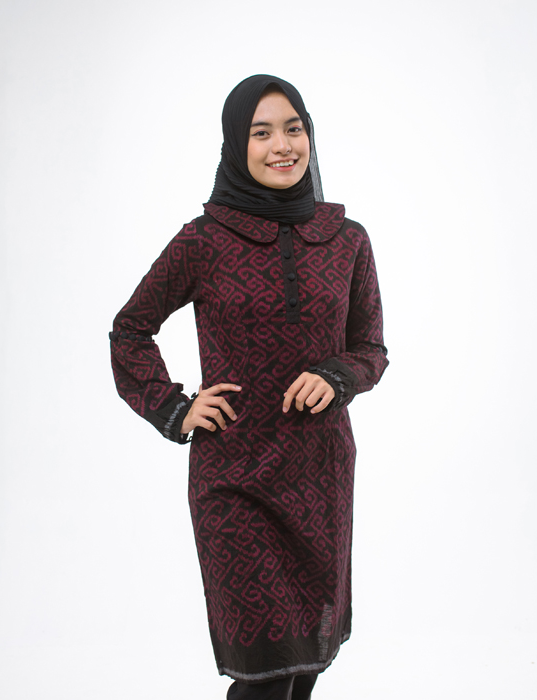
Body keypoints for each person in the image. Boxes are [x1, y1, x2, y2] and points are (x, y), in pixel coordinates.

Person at [110, 74, 389, 700]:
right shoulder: (205, 240)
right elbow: (130, 330)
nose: (282, 145)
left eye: (294, 129)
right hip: (233, 482)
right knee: (264, 674)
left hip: (319, 477)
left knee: (303, 668)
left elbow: (370, 350)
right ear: (237, 145)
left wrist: (335, 376)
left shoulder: (347, 240)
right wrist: (174, 408)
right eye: (261, 133)